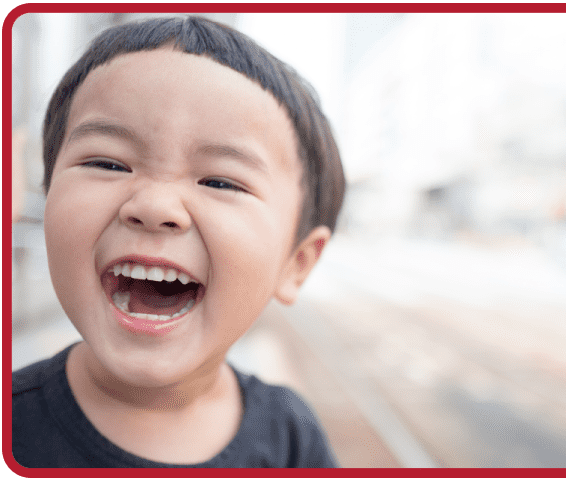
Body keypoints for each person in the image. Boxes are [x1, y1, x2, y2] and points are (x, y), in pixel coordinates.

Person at [12, 16, 345, 468]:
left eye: (222, 182)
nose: (155, 206)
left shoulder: (291, 439)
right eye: (108, 163)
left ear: (297, 263)